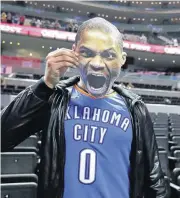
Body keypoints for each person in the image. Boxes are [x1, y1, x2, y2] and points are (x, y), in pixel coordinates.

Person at [1, 17, 170, 198]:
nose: (97, 64)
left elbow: (154, 179)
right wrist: (46, 84)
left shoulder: (136, 108)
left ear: (122, 59)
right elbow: (3, 136)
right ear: (73, 53)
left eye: (109, 55)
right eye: (87, 53)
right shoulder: (55, 99)